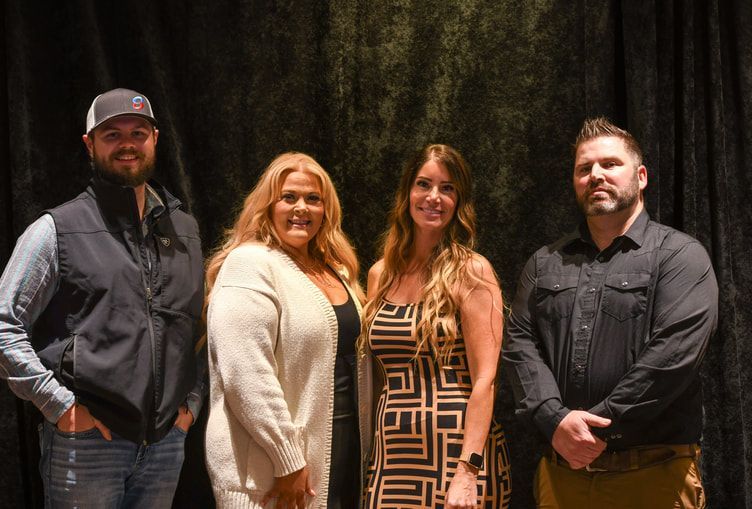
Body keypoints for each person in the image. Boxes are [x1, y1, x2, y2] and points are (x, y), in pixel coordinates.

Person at [0, 88, 205, 508]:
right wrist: (60, 406)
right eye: (112, 135)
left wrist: (190, 405)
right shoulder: (57, 229)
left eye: (137, 132)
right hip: (87, 446)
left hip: (165, 446)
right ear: (90, 144)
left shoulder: (184, 230)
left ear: (155, 138)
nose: (127, 144)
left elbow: (196, 329)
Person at [503, 117, 719, 508]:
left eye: (610, 164)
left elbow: (672, 358)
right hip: (562, 476)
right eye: (584, 169)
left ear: (640, 176)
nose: (596, 175)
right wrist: (554, 421)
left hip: (654, 478)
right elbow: (520, 346)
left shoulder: (680, 256)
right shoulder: (544, 263)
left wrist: (595, 430)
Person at [203, 152, 370, 508]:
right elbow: (245, 372)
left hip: (338, 447)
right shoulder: (249, 263)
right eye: (289, 197)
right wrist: (288, 457)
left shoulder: (334, 269)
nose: (301, 208)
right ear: (268, 205)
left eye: (313, 199)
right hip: (271, 469)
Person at [362, 144, 512, 509]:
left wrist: (468, 471)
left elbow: (485, 381)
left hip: (456, 457)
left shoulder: (471, 271)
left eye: (447, 188)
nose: (434, 197)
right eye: (424, 184)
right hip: (391, 457)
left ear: (459, 201)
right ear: (407, 193)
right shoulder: (380, 274)